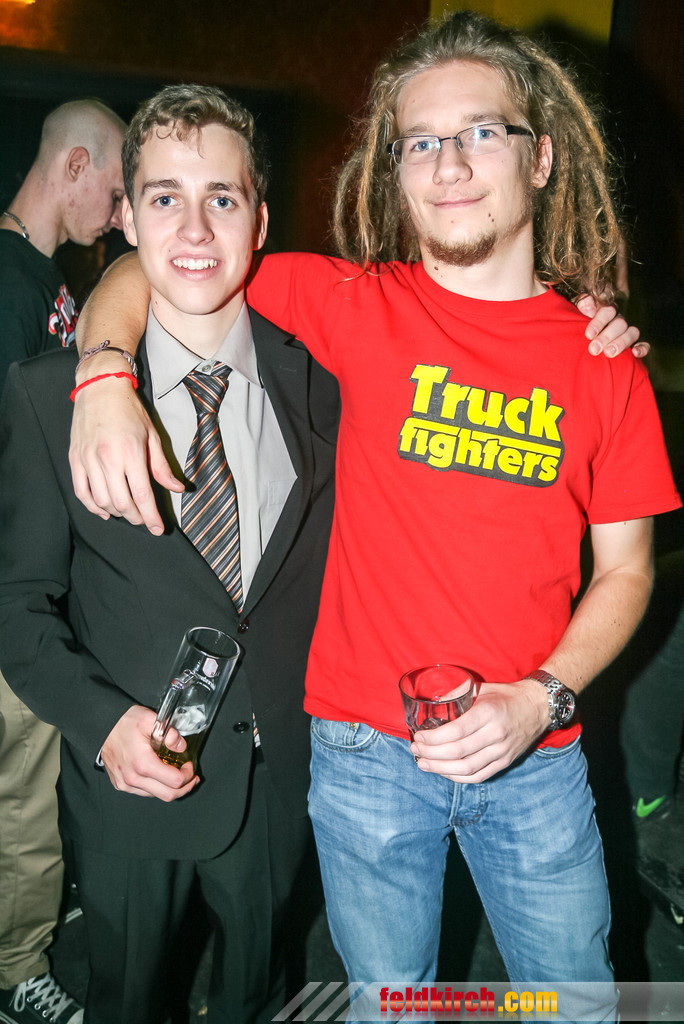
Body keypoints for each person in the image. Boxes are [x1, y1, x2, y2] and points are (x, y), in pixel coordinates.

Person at [64, 13, 678, 1022]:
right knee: (390, 1006)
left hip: (537, 755)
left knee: (577, 1004)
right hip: (363, 756)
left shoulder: (603, 364)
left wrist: (541, 699)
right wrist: (100, 378)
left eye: (481, 132)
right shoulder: (355, 304)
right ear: (395, 172)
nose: (449, 163)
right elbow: (164, 262)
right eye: (419, 141)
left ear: (542, 158)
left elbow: (629, 572)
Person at [0, 84, 337, 1024]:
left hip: (279, 780)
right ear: (126, 218)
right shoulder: (48, 398)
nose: (194, 228)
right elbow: (14, 606)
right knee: (128, 1000)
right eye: (163, 197)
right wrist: (102, 723)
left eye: (221, 197)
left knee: (258, 995)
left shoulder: (325, 383)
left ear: (259, 221)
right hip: (128, 789)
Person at [0, 98, 125, 1024]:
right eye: (116, 193)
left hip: (39, 578)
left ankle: (24, 915)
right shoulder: (5, 280)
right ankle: (16, 970)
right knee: (23, 788)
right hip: (11, 584)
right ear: (75, 166)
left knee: (33, 782)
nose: (118, 215)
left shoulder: (48, 280)